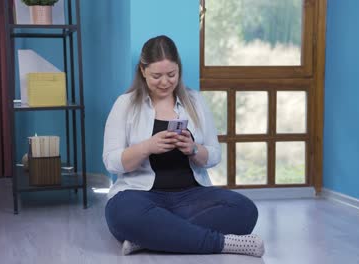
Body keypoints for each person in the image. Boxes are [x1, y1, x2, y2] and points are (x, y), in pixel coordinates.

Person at [103, 35, 264, 257]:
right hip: (139, 195)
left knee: (245, 210)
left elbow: (214, 155)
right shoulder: (125, 104)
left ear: (179, 70)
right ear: (142, 70)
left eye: (172, 75)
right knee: (122, 214)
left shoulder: (195, 101)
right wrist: (147, 147)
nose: (165, 82)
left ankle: (151, 238)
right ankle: (222, 244)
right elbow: (112, 162)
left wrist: (193, 149)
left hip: (191, 196)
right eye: (156, 76)